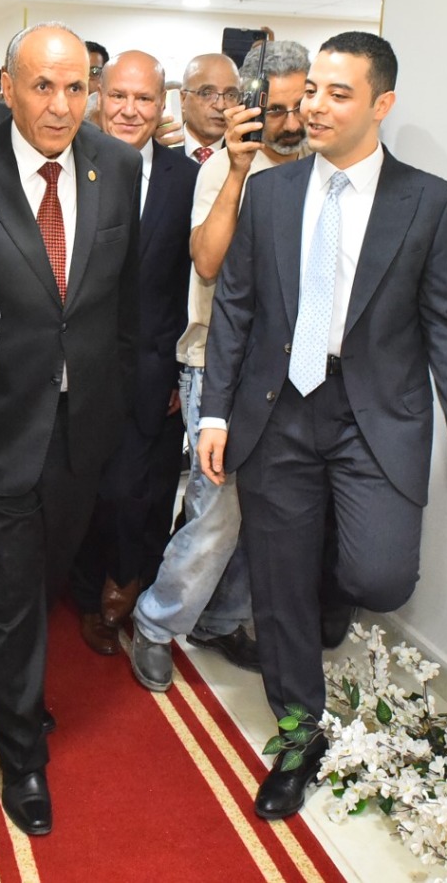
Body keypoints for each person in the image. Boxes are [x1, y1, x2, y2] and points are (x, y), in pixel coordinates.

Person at [196, 31, 447, 821]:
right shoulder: (270, 193)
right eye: (312, 91)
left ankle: (328, 573)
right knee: (280, 586)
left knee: (379, 577)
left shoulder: (431, 203)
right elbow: (236, 307)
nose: (315, 107)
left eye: (338, 93)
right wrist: (215, 410)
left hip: (374, 416)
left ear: (381, 104)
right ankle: (299, 733)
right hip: (278, 409)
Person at [0, 22, 140, 837]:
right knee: (9, 588)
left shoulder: (117, 165)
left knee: (46, 572)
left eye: (75, 87)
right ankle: (23, 750)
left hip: (83, 422)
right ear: (7, 88)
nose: (61, 106)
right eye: (42, 86)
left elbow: (124, 299)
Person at [129, 39, 313, 688]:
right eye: (276, 108)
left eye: (301, 105)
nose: (290, 122)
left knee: (263, 507)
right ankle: (156, 622)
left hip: (289, 368)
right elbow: (206, 263)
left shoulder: (321, 169)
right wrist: (239, 170)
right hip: (218, 362)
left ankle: (220, 617)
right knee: (217, 509)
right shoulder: (225, 168)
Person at [70, 51, 197, 656]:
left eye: (144, 98)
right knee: (82, 489)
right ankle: (82, 585)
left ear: (162, 103)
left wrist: (178, 371)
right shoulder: (69, 164)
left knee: (136, 491)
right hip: (75, 369)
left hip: (151, 370)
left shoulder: (187, 179)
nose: (129, 110)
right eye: (118, 95)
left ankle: (122, 588)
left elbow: (188, 284)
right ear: (99, 94)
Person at [178, 53, 242, 164]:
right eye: (207, 93)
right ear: (183, 99)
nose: (220, 106)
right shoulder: (159, 149)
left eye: (231, 95)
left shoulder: (246, 157)